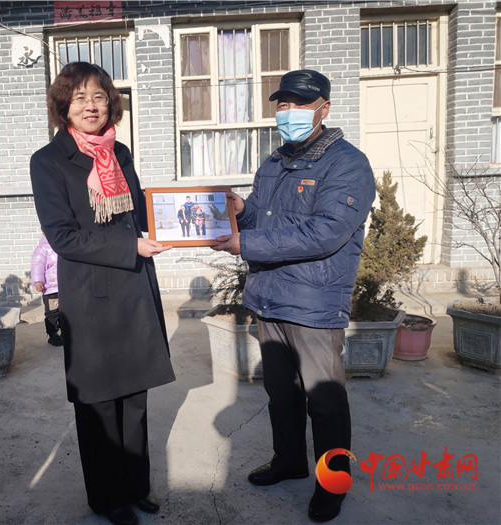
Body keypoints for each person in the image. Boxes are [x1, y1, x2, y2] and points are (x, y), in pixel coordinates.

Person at [213, 69, 376, 523]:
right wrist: (242, 211)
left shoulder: (347, 164)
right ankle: (288, 460)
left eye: (301, 104)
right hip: (269, 296)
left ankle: (333, 483)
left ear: (325, 108)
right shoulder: (274, 161)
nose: (289, 113)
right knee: (281, 393)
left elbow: (325, 233)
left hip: (314, 301)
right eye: (283, 104)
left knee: (324, 400)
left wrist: (246, 243)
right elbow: (264, 219)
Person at [30, 62, 176, 525]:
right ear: (64, 107)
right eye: (79, 98)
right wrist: (131, 247)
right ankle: (107, 498)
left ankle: (136, 487)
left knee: (134, 400)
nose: (90, 106)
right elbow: (63, 236)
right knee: (98, 405)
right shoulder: (48, 161)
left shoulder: (119, 151)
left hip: (134, 288)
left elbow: (138, 213)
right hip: (91, 296)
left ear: (111, 103)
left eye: (98, 96)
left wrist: (185, 217)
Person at [30, 233, 62, 346]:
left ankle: (66, 333)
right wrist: (38, 281)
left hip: (64, 287)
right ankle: (52, 334)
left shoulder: (63, 244)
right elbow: (37, 265)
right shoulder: (43, 248)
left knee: (66, 312)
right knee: (52, 313)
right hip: (51, 289)